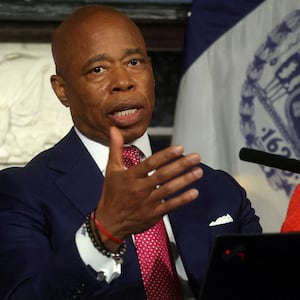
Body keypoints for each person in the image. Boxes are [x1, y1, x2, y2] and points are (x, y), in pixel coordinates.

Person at [0, 5, 262, 300]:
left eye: (134, 62)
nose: (123, 81)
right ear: (62, 90)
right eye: (98, 69)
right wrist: (103, 233)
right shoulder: (21, 193)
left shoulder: (218, 188)